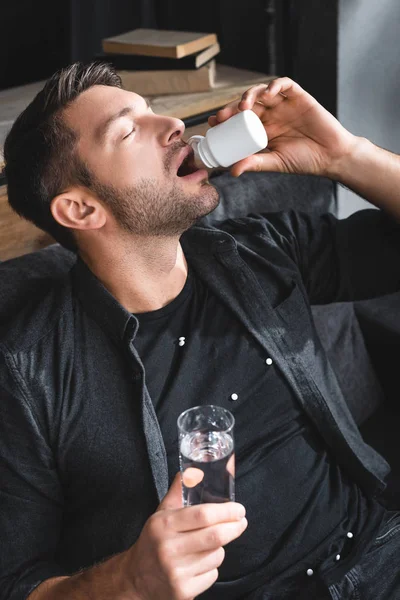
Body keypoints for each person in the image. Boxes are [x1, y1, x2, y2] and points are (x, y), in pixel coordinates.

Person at [1, 61, 400, 600]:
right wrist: (131, 580)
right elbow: (17, 582)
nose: (170, 126)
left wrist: (346, 155)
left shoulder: (259, 250)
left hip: (381, 545)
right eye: (127, 129)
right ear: (80, 207)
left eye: (151, 109)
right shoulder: (29, 372)